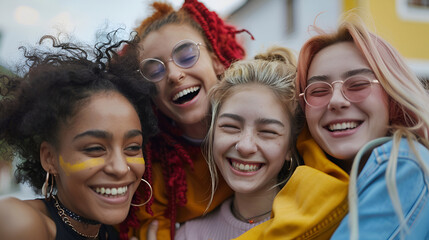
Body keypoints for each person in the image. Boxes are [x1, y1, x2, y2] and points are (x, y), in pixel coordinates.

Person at [234, 14, 429, 240]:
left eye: (357, 85)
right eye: (318, 91)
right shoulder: (310, 184)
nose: (336, 101)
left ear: (392, 94)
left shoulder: (404, 163)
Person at [0, 33, 158, 240]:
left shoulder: (111, 233)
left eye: (133, 147)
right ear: (49, 158)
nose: (120, 168)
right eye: (95, 148)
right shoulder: (21, 222)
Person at [119, 1, 253, 239]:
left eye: (187, 54)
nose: (173, 74)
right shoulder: (156, 176)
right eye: (154, 70)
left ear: (216, 60)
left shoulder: (269, 120)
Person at [175, 46, 300, 239]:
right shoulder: (189, 235)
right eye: (231, 126)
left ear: (290, 147)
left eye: (267, 132)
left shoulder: (319, 226)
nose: (245, 146)